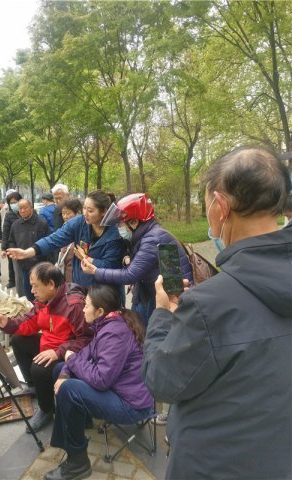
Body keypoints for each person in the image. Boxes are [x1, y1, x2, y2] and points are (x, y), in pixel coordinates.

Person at [142, 146, 292, 480]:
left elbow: (161, 380)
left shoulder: (210, 304)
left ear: (221, 206)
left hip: (212, 465)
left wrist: (164, 314)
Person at [43, 284, 154, 480]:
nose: (83, 309)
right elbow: (85, 353)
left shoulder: (115, 333)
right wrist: (65, 372)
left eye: (86, 306)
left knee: (69, 389)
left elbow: (101, 379)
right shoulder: (107, 324)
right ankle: (80, 425)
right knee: (60, 370)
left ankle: (78, 464)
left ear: (100, 310)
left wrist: (71, 361)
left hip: (131, 404)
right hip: (118, 388)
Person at [0, 262, 93, 433]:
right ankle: (34, 386)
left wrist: (57, 352)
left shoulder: (73, 305)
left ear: (51, 284)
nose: (32, 291)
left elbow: (86, 339)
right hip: (49, 345)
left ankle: (46, 410)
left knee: (39, 367)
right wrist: (7, 323)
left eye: (35, 286)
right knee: (18, 340)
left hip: (67, 352)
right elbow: (28, 322)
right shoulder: (43, 300)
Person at [81, 193, 193, 325]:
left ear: (134, 222)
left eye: (120, 224)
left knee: (151, 337)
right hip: (151, 294)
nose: (119, 228)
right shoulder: (145, 235)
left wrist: (95, 271)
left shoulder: (153, 238)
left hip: (170, 300)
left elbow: (130, 275)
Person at [7, 190, 124, 287]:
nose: (85, 214)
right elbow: (54, 239)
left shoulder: (114, 236)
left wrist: (86, 258)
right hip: (80, 288)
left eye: (90, 210)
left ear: (103, 211)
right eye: (84, 208)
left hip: (105, 294)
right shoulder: (79, 223)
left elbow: (110, 267)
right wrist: (28, 252)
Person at [9, 199, 50, 301]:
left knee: (40, 294)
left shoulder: (42, 223)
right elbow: (11, 240)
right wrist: (12, 251)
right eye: (20, 208)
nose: (22, 211)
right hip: (24, 265)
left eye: (25, 208)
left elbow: (47, 243)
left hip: (39, 265)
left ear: (31, 207)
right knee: (28, 292)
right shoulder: (15, 225)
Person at [1, 191, 23, 294]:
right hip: (13, 244)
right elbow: (5, 232)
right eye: (11, 203)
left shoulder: (26, 212)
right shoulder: (9, 215)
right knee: (12, 264)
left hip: (25, 243)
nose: (13, 204)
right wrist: (3, 248)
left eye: (15, 202)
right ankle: (12, 281)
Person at [56, 198, 83, 282]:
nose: (65, 216)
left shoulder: (82, 229)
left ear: (78, 213)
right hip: (66, 275)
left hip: (78, 276)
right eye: (63, 213)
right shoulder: (63, 228)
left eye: (68, 213)